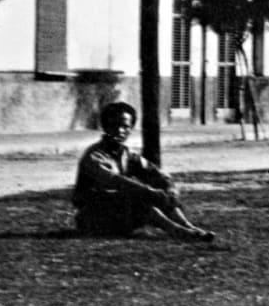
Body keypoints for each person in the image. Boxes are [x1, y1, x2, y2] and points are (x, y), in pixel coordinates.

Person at [72, 102, 215, 242]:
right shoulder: (94, 155)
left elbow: (155, 173)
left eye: (125, 127)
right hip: (94, 216)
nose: (120, 131)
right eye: (114, 125)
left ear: (131, 129)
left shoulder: (127, 154)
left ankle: (188, 226)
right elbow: (116, 181)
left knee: (160, 192)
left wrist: (169, 188)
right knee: (140, 198)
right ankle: (176, 231)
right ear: (105, 127)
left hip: (120, 211)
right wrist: (149, 192)